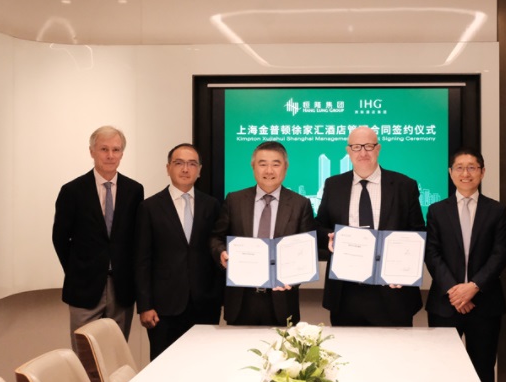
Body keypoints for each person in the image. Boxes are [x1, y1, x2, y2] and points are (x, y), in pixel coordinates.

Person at [316, 126, 425, 327]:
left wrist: (404, 269)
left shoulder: (404, 185)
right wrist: (330, 237)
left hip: (393, 290)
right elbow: (320, 227)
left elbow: (417, 233)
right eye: (356, 147)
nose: (363, 152)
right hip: (346, 291)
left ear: (378, 149)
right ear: (348, 151)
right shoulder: (333, 185)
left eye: (369, 146)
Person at [424, 148, 506, 382]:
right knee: (441, 372)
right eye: (459, 167)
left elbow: (500, 253)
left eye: (472, 167)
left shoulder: (497, 210)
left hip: (485, 304)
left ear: (482, 172)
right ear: (450, 173)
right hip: (445, 304)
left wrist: (473, 287)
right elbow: (432, 253)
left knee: (483, 372)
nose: (466, 173)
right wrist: (455, 291)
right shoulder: (437, 210)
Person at [52, 125, 144, 349]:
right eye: (104, 149)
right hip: (84, 287)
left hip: (121, 288)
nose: (110, 155)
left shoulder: (134, 190)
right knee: (85, 354)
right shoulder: (72, 191)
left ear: (122, 154)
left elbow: (136, 239)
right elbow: (60, 239)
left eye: (116, 149)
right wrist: (78, 270)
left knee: (116, 352)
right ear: (92, 151)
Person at [210, 141, 316, 326]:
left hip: (282, 300)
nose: (269, 170)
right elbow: (216, 237)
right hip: (241, 299)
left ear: (285, 167)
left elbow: (307, 250)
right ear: (253, 166)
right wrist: (221, 253)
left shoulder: (300, 204)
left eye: (276, 164)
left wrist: (294, 279)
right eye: (262, 164)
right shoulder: (234, 200)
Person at [134, 143, 223, 360]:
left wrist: (219, 298)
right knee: (164, 367)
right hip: (163, 309)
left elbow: (217, 251)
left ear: (199, 170)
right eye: (179, 163)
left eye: (192, 164)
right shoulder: (149, 207)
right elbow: (141, 260)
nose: (185, 169)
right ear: (168, 168)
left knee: (204, 364)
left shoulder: (212, 206)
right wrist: (145, 306)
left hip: (205, 305)